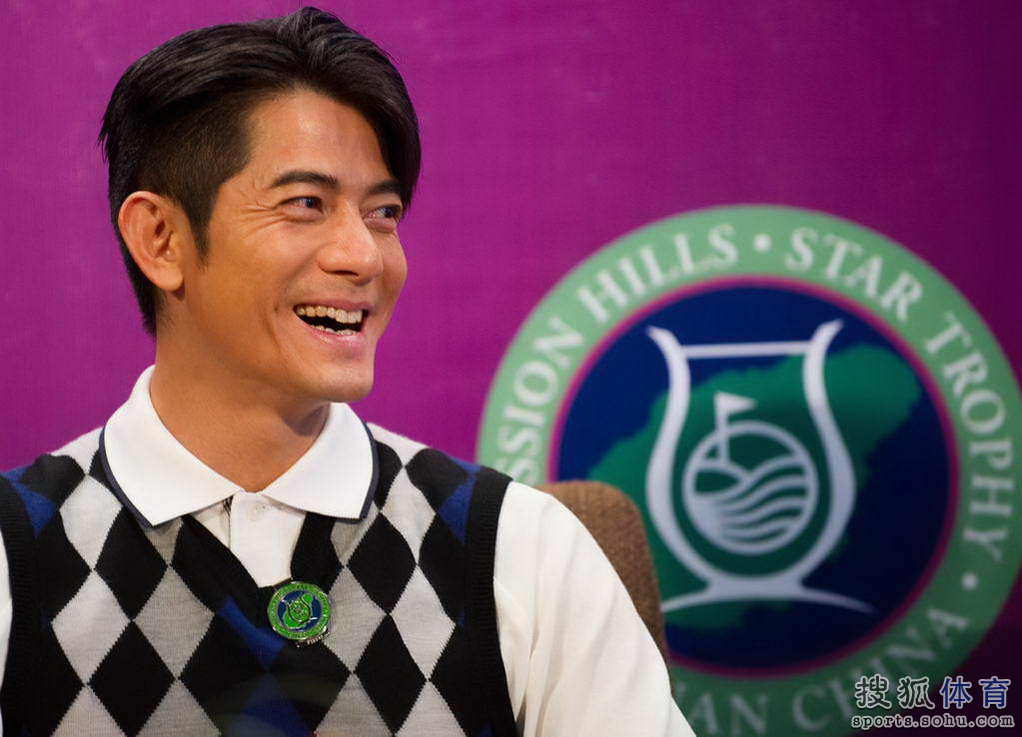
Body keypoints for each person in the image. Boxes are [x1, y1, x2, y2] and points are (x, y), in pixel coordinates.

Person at [0, 7, 693, 736]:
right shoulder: (17, 553)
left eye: (382, 212)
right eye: (306, 204)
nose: (364, 256)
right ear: (161, 238)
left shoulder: (522, 547)